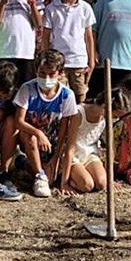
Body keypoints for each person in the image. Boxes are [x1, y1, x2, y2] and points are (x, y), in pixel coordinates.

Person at [14, 49, 82, 198]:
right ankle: (39, 174)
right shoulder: (27, 89)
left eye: (51, 74)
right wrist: (38, 133)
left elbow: (64, 128)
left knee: (83, 183)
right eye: (42, 73)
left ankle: (28, 165)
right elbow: (18, 121)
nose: (46, 78)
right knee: (32, 139)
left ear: (60, 73)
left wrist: (55, 158)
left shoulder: (66, 95)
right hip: (30, 137)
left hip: (52, 142)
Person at [43, 0, 96, 103]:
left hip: (79, 61)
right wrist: (45, 59)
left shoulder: (85, 8)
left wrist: (91, 61)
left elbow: (88, 36)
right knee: (58, 96)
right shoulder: (52, 9)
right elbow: (46, 36)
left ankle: (77, 124)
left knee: (80, 96)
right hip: (58, 62)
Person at [63, 86, 127, 195]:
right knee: (87, 185)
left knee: (102, 184)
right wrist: (64, 184)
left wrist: (110, 178)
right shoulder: (79, 114)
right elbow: (70, 148)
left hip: (89, 153)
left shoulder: (105, 119)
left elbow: (110, 148)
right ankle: (70, 177)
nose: (115, 119)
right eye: (115, 115)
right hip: (74, 155)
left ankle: (82, 174)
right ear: (105, 106)